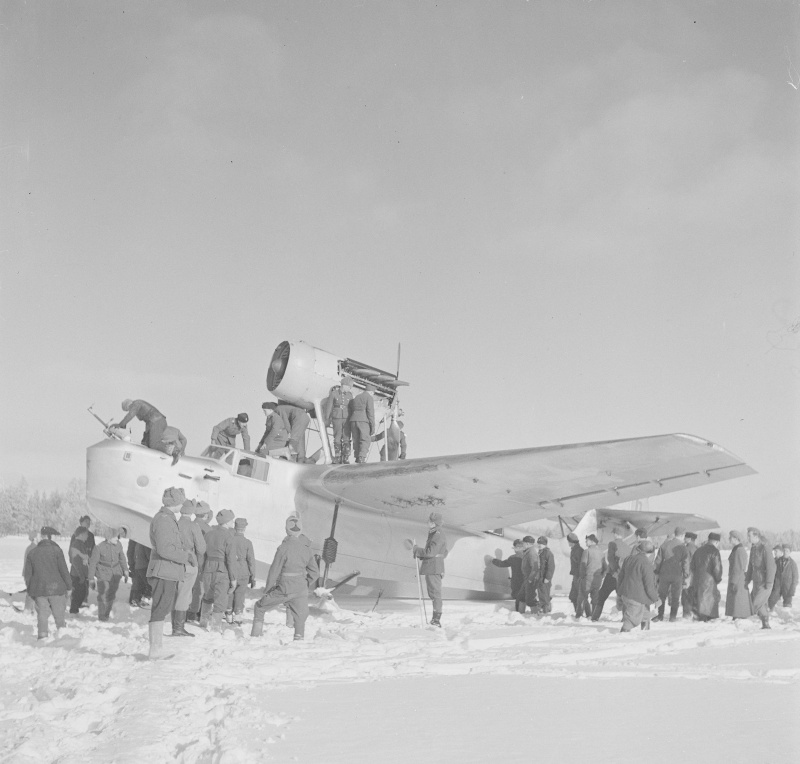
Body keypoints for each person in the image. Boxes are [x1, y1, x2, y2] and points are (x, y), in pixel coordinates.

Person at [251, 515, 320, 641]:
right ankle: (299, 638)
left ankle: (255, 636)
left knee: (260, 607)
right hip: (300, 589)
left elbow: (274, 571)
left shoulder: (283, 548)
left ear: (286, 529)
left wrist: (268, 589)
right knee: (300, 616)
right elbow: (315, 573)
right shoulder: (307, 550)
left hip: (284, 588)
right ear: (300, 530)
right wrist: (304, 583)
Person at [146, 487, 193, 659]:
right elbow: (165, 549)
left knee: (162, 608)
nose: (183, 503)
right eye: (181, 500)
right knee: (160, 609)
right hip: (164, 571)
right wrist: (185, 557)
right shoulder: (164, 520)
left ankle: (156, 650)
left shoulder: (167, 518)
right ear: (175, 503)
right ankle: (155, 651)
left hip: (168, 571)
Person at [23, 526, 72, 640]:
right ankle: (62, 637)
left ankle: (42, 636)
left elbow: (28, 575)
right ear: (50, 537)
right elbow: (64, 571)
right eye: (54, 536)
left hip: (39, 590)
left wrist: (31, 590)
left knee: (42, 615)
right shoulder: (57, 551)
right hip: (57, 589)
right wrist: (69, 587)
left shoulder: (32, 552)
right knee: (59, 615)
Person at [173, 499, 206, 636]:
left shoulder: (173, 523)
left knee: (177, 592)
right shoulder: (193, 526)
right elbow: (201, 548)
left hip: (174, 561)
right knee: (184, 594)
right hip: (189, 562)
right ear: (191, 512)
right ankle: (178, 628)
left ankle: (175, 623)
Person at [200, 509, 236, 632]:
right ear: (226, 522)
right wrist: (233, 579)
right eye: (231, 520)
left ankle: (203, 622)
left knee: (207, 596)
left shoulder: (208, 534)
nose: (232, 522)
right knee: (220, 600)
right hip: (222, 570)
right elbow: (231, 560)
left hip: (208, 568)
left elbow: (203, 555)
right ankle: (215, 628)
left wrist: (202, 571)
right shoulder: (229, 537)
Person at [413, 512, 449, 627]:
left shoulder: (437, 534)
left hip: (433, 567)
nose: (427, 523)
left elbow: (431, 552)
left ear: (433, 523)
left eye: (429, 521)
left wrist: (417, 550)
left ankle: (436, 620)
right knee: (433, 593)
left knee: (435, 594)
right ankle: (435, 619)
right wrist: (422, 555)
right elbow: (443, 552)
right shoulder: (435, 533)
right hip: (433, 566)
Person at [617, 539, 660, 632]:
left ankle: (644, 636)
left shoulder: (628, 559)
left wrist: (619, 592)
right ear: (651, 553)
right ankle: (622, 636)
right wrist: (656, 599)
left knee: (645, 615)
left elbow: (620, 577)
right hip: (636, 598)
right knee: (631, 620)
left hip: (627, 594)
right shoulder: (646, 564)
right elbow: (649, 586)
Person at [88, 528, 129, 622]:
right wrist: (91, 578)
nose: (117, 539)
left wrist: (125, 570)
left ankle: (106, 614)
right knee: (103, 593)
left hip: (115, 573)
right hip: (103, 573)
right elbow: (93, 563)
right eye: (115, 537)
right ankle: (102, 616)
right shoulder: (99, 547)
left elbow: (122, 558)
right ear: (109, 538)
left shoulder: (118, 545)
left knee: (111, 594)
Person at [591, 525, 631, 621]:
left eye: (614, 533)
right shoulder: (628, 547)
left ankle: (595, 617)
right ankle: (625, 619)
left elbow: (610, 559)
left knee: (602, 595)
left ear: (616, 534)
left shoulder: (612, 544)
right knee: (623, 598)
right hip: (623, 576)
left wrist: (615, 571)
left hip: (612, 575)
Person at [653, 526, 690, 622]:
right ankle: (672, 617)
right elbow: (686, 563)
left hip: (664, 574)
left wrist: (656, 572)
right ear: (682, 535)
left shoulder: (665, 544)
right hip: (677, 575)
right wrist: (686, 576)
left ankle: (660, 615)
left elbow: (658, 560)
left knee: (662, 595)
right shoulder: (683, 547)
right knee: (675, 596)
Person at [745, 526, 776, 629]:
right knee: (760, 604)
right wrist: (747, 579)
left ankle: (746, 622)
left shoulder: (765, 548)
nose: (748, 538)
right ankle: (765, 625)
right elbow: (750, 566)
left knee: (755, 603)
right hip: (756, 581)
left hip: (764, 582)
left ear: (756, 535)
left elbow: (771, 566)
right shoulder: (753, 548)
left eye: (749, 536)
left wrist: (769, 582)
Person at [226, 518, 256, 625]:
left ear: (235, 527)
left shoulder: (229, 540)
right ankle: (238, 615)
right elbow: (251, 560)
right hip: (243, 570)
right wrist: (253, 575)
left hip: (231, 569)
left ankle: (228, 614)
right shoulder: (248, 543)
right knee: (240, 593)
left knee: (230, 592)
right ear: (244, 529)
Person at [187, 501, 213, 622]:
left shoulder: (190, 524)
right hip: (201, 563)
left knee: (188, 587)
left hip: (187, 561)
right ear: (206, 514)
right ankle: (194, 612)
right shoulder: (207, 529)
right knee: (199, 589)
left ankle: (184, 610)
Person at [690, 532, 723, 621]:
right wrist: (718, 578)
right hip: (709, 580)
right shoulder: (715, 551)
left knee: (699, 599)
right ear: (716, 542)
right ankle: (708, 617)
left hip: (697, 579)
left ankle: (699, 616)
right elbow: (717, 568)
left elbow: (692, 566)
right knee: (709, 600)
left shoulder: (698, 550)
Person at [322, 378, 354, 463]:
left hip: (347, 417)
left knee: (346, 437)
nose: (350, 389)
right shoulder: (334, 394)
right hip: (337, 417)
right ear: (344, 385)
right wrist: (327, 418)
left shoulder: (350, 395)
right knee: (337, 437)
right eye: (349, 387)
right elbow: (329, 407)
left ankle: (346, 457)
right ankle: (338, 457)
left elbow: (351, 407)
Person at [69, 515, 95, 608]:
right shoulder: (76, 535)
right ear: (81, 522)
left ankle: (84, 600)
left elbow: (93, 548)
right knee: (78, 582)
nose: (88, 523)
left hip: (87, 559)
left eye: (89, 522)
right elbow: (71, 549)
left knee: (85, 581)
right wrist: (72, 560)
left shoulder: (91, 536)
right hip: (78, 560)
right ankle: (75, 602)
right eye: (86, 521)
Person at [491, 539, 525, 611]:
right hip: (525, 581)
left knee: (518, 597)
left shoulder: (513, 558)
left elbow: (502, 564)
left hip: (516, 582)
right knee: (524, 597)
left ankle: (519, 612)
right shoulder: (527, 556)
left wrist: (493, 560)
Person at [577, 534, 605, 619]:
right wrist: (601, 576)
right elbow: (605, 567)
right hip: (598, 579)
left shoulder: (587, 551)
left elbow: (583, 565)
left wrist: (581, 577)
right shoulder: (601, 552)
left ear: (592, 542)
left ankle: (579, 616)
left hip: (588, 578)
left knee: (582, 596)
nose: (585, 542)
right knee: (595, 598)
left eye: (587, 540)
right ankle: (594, 616)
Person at [725, 530, 751, 620]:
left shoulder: (739, 550)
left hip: (738, 579)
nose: (729, 539)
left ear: (736, 539)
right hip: (737, 578)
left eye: (730, 537)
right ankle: (737, 616)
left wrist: (734, 582)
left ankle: (739, 617)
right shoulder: (737, 549)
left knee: (738, 600)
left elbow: (738, 568)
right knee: (736, 600)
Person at [348, 384, 376, 463]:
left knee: (356, 439)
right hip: (363, 421)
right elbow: (370, 412)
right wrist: (372, 426)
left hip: (353, 420)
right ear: (371, 392)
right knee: (365, 439)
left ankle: (357, 457)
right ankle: (362, 457)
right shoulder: (369, 397)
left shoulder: (357, 397)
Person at [68, 527, 91, 614]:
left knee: (82, 593)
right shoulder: (76, 545)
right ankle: (73, 611)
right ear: (81, 535)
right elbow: (75, 561)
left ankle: (75, 609)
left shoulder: (81, 544)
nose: (87, 536)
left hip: (82, 574)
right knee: (77, 594)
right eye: (86, 534)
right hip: (77, 574)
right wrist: (81, 574)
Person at [519, 536, 540, 614]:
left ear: (527, 544)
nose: (522, 545)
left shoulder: (532, 553)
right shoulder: (528, 551)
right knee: (521, 597)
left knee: (530, 598)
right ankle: (520, 614)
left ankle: (535, 615)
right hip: (527, 578)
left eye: (523, 543)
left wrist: (530, 579)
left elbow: (535, 568)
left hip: (531, 579)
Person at [681, 531, 699, 619]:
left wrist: (686, 575)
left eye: (685, 537)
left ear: (690, 539)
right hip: (695, 575)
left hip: (688, 574)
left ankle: (687, 614)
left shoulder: (687, 548)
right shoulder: (697, 548)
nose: (684, 539)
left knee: (686, 594)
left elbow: (686, 562)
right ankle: (694, 613)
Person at [536, 536, 555, 614]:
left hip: (544, 578)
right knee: (541, 594)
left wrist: (548, 577)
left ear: (545, 544)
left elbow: (551, 566)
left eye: (542, 544)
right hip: (540, 577)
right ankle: (543, 609)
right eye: (539, 543)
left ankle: (546, 612)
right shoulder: (540, 553)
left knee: (545, 595)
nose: (540, 545)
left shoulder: (548, 553)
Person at [567, 533, 583, 617]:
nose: (568, 543)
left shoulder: (578, 551)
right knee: (573, 595)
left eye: (568, 541)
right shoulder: (575, 549)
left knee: (577, 595)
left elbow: (581, 564)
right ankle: (578, 613)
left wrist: (580, 576)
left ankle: (579, 613)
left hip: (578, 576)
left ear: (571, 542)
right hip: (576, 575)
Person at [22, 530, 39, 613]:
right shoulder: (33, 548)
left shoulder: (32, 547)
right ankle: (28, 610)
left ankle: (31, 609)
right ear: (34, 538)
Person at [768, 545, 785, 611]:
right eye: (774, 551)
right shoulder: (774, 560)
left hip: (779, 584)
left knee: (772, 599)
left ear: (781, 552)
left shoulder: (783, 561)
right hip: (772, 582)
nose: (775, 552)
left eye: (776, 551)